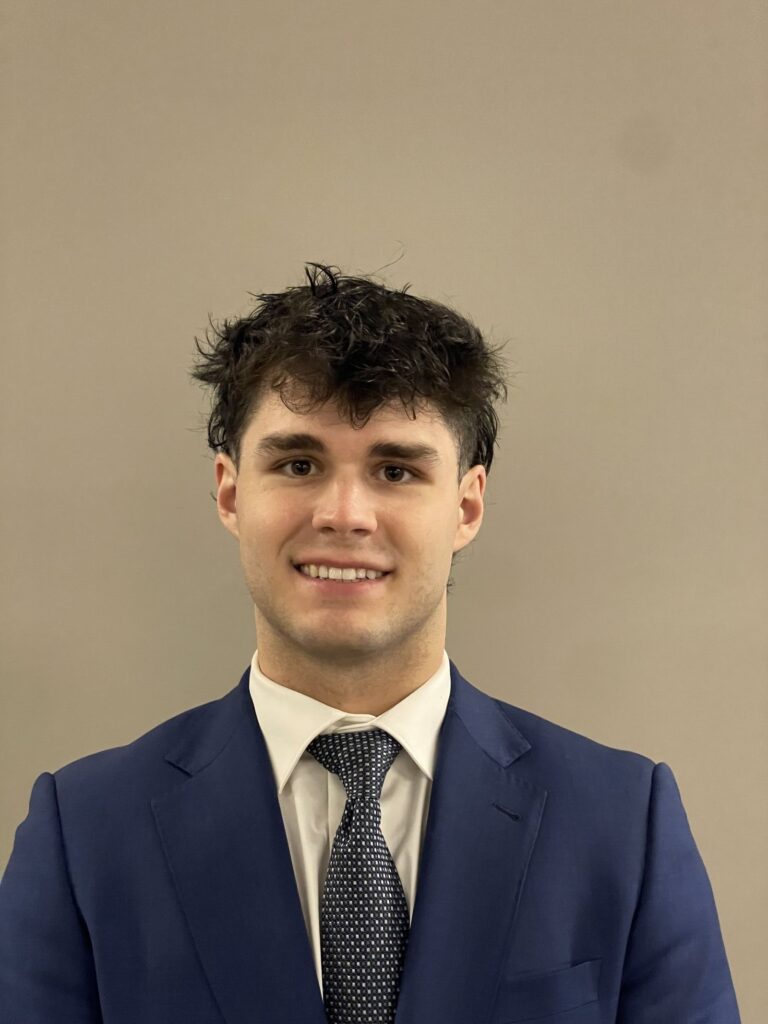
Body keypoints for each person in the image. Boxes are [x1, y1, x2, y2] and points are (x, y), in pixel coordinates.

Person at [0, 263, 740, 1023]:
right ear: (230, 492)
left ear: (466, 506)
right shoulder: (84, 835)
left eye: (395, 469)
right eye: (298, 464)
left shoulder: (622, 823)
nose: (345, 513)